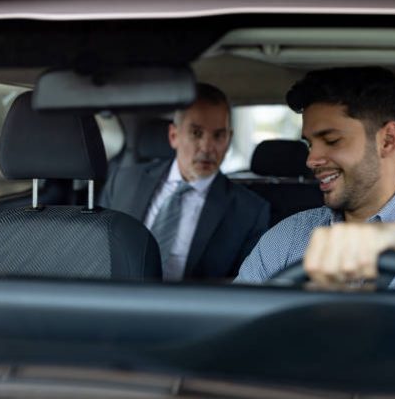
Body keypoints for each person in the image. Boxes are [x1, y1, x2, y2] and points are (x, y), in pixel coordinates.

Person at [236, 67, 395, 291]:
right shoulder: (288, 237)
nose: (311, 159)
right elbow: (238, 321)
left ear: (387, 140)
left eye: (331, 140)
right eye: (310, 143)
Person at [101, 83, 270, 281]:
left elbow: (245, 284)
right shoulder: (124, 180)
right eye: (196, 133)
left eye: (218, 135)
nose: (207, 147)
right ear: (174, 136)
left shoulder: (249, 211)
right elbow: (97, 253)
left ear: (229, 139)